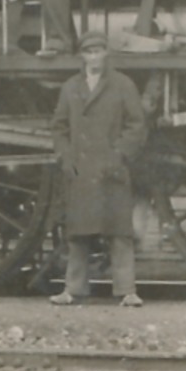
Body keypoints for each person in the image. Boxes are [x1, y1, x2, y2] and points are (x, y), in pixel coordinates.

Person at [48, 31, 147, 306]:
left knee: (119, 233)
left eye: (99, 51)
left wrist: (119, 156)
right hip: (80, 169)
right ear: (82, 56)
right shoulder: (70, 87)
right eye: (89, 52)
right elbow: (59, 126)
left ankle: (127, 291)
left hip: (111, 168)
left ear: (106, 54)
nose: (94, 57)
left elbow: (136, 125)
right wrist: (66, 157)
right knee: (77, 234)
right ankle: (73, 289)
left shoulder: (123, 85)